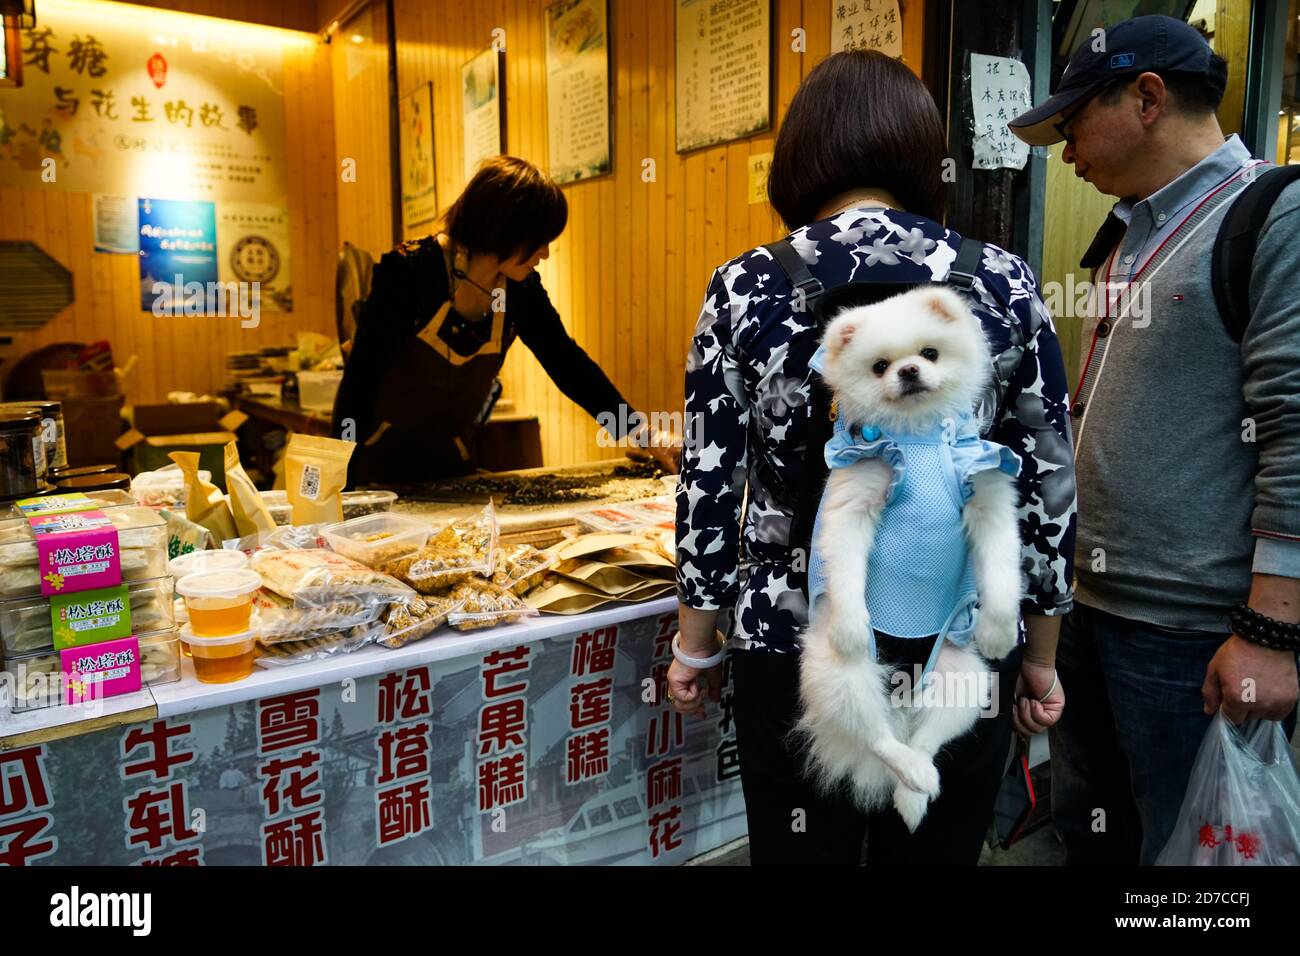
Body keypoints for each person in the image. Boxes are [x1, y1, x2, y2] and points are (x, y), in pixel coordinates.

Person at [668, 50, 1077, 865]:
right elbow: (1046, 477)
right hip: (959, 636)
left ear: (802, 154)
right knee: (935, 849)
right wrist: (1040, 657)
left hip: (793, 639)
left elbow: (711, 482)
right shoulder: (1001, 280)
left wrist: (695, 644)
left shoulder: (746, 284)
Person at [1009, 14, 1300, 865]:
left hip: (1193, 632)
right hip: (1090, 610)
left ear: (1146, 98)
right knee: (1092, 837)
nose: (1066, 154)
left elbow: (1292, 429)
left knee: (1189, 859)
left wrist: (1273, 636)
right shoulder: (1129, 234)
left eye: (1072, 127)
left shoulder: (1272, 215)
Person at [333, 156, 679, 486]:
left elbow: (568, 364)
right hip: (377, 468)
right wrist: (339, 488)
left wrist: (643, 433)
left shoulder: (519, 289)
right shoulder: (411, 272)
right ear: (503, 228)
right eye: (539, 241)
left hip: (454, 467)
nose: (544, 254)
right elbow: (359, 382)